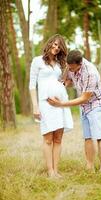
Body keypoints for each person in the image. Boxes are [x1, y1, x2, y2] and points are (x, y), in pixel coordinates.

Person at [48, 50, 101, 175]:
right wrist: (65, 77)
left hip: (96, 103)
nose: (70, 69)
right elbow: (68, 81)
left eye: (72, 68)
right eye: (68, 67)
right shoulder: (71, 67)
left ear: (80, 64)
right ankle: (89, 166)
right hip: (85, 106)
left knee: (100, 136)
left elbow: (84, 98)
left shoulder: (90, 72)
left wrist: (61, 104)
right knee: (87, 136)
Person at [29, 34, 73, 178]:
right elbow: (32, 85)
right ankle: (50, 171)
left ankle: (56, 170)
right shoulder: (37, 61)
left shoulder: (61, 64)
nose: (56, 48)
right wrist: (35, 106)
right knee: (48, 138)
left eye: (59, 46)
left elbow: (64, 82)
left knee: (58, 139)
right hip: (45, 104)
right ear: (49, 44)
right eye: (54, 45)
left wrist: (65, 84)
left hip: (60, 104)